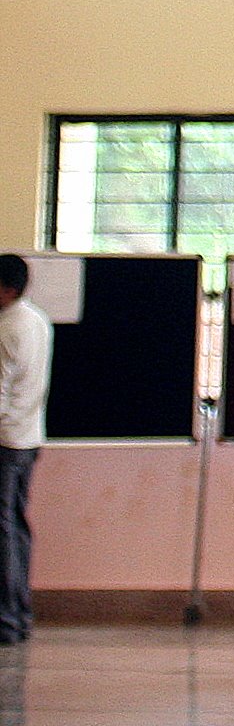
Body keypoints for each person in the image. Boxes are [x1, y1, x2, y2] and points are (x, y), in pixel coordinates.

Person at [0, 253, 47, 646]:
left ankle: (8, 620)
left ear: (8, 290)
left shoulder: (6, 330)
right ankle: (19, 615)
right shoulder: (37, 320)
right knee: (16, 528)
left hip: (4, 442)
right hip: (28, 438)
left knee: (4, 533)